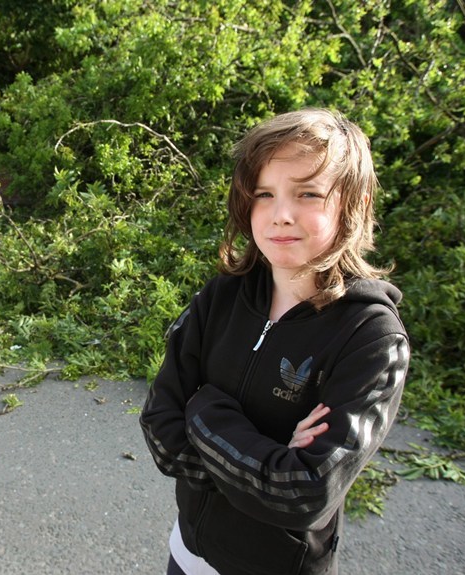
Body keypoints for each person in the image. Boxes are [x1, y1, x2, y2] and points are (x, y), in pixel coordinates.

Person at [139, 108, 409, 575]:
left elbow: (304, 493)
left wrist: (202, 411)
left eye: (308, 193)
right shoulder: (220, 297)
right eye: (265, 194)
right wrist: (269, 460)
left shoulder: (371, 337)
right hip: (187, 552)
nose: (281, 215)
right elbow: (160, 431)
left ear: (356, 204)